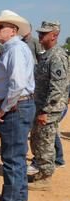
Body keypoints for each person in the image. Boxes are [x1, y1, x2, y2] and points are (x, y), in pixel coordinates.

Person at [0, 10, 35, 201]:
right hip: (21, 106)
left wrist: (2, 109)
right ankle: (19, 198)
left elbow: (17, 84)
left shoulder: (14, 50)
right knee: (18, 158)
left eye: (0, 27)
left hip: (15, 107)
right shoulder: (15, 48)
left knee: (12, 159)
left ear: (13, 30)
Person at [28, 21, 69, 191]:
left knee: (45, 141)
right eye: (39, 33)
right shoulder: (47, 55)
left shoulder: (57, 56)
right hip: (40, 106)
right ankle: (42, 172)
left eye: (43, 34)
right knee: (37, 140)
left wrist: (45, 111)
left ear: (54, 35)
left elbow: (57, 88)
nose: (40, 36)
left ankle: (46, 178)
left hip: (49, 109)